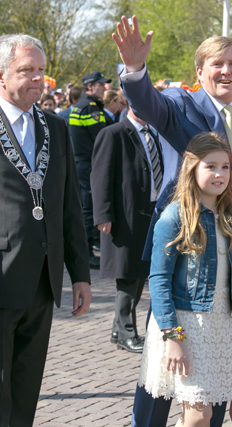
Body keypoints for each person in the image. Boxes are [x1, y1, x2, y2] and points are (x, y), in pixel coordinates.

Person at [113, 15, 232, 427]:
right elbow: (147, 103)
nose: (226, 71)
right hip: (184, 244)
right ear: (199, 72)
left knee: (215, 385)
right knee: (165, 372)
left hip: (230, 246)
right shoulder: (181, 104)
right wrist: (134, 72)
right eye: (217, 64)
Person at [0, 34, 91, 426]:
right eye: (26, 70)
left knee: (26, 389)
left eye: (41, 70)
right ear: (0, 76)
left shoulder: (55, 128)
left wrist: (79, 275)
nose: (37, 79)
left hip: (42, 280)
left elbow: (68, 206)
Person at [138, 132, 232, 426]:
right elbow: (159, 279)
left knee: (209, 414)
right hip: (186, 326)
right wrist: (172, 336)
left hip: (221, 326)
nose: (219, 174)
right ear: (192, 168)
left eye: (225, 167)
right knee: (199, 415)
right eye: (210, 166)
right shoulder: (175, 216)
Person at [91, 107, 164, 353]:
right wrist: (103, 214)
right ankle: (127, 333)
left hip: (149, 214)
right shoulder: (113, 133)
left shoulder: (153, 134)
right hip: (125, 216)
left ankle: (118, 329)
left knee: (138, 274)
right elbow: (100, 176)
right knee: (127, 275)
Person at [69, 71, 114, 269]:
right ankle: (87, 254)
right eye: (100, 85)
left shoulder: (85, 106)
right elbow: (102, 137)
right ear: (89, 86)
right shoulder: (90, 108)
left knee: (87, 207)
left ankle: (88, 251)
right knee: (88, 208)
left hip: (83, 163)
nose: (105, 88)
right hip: (87, 163)